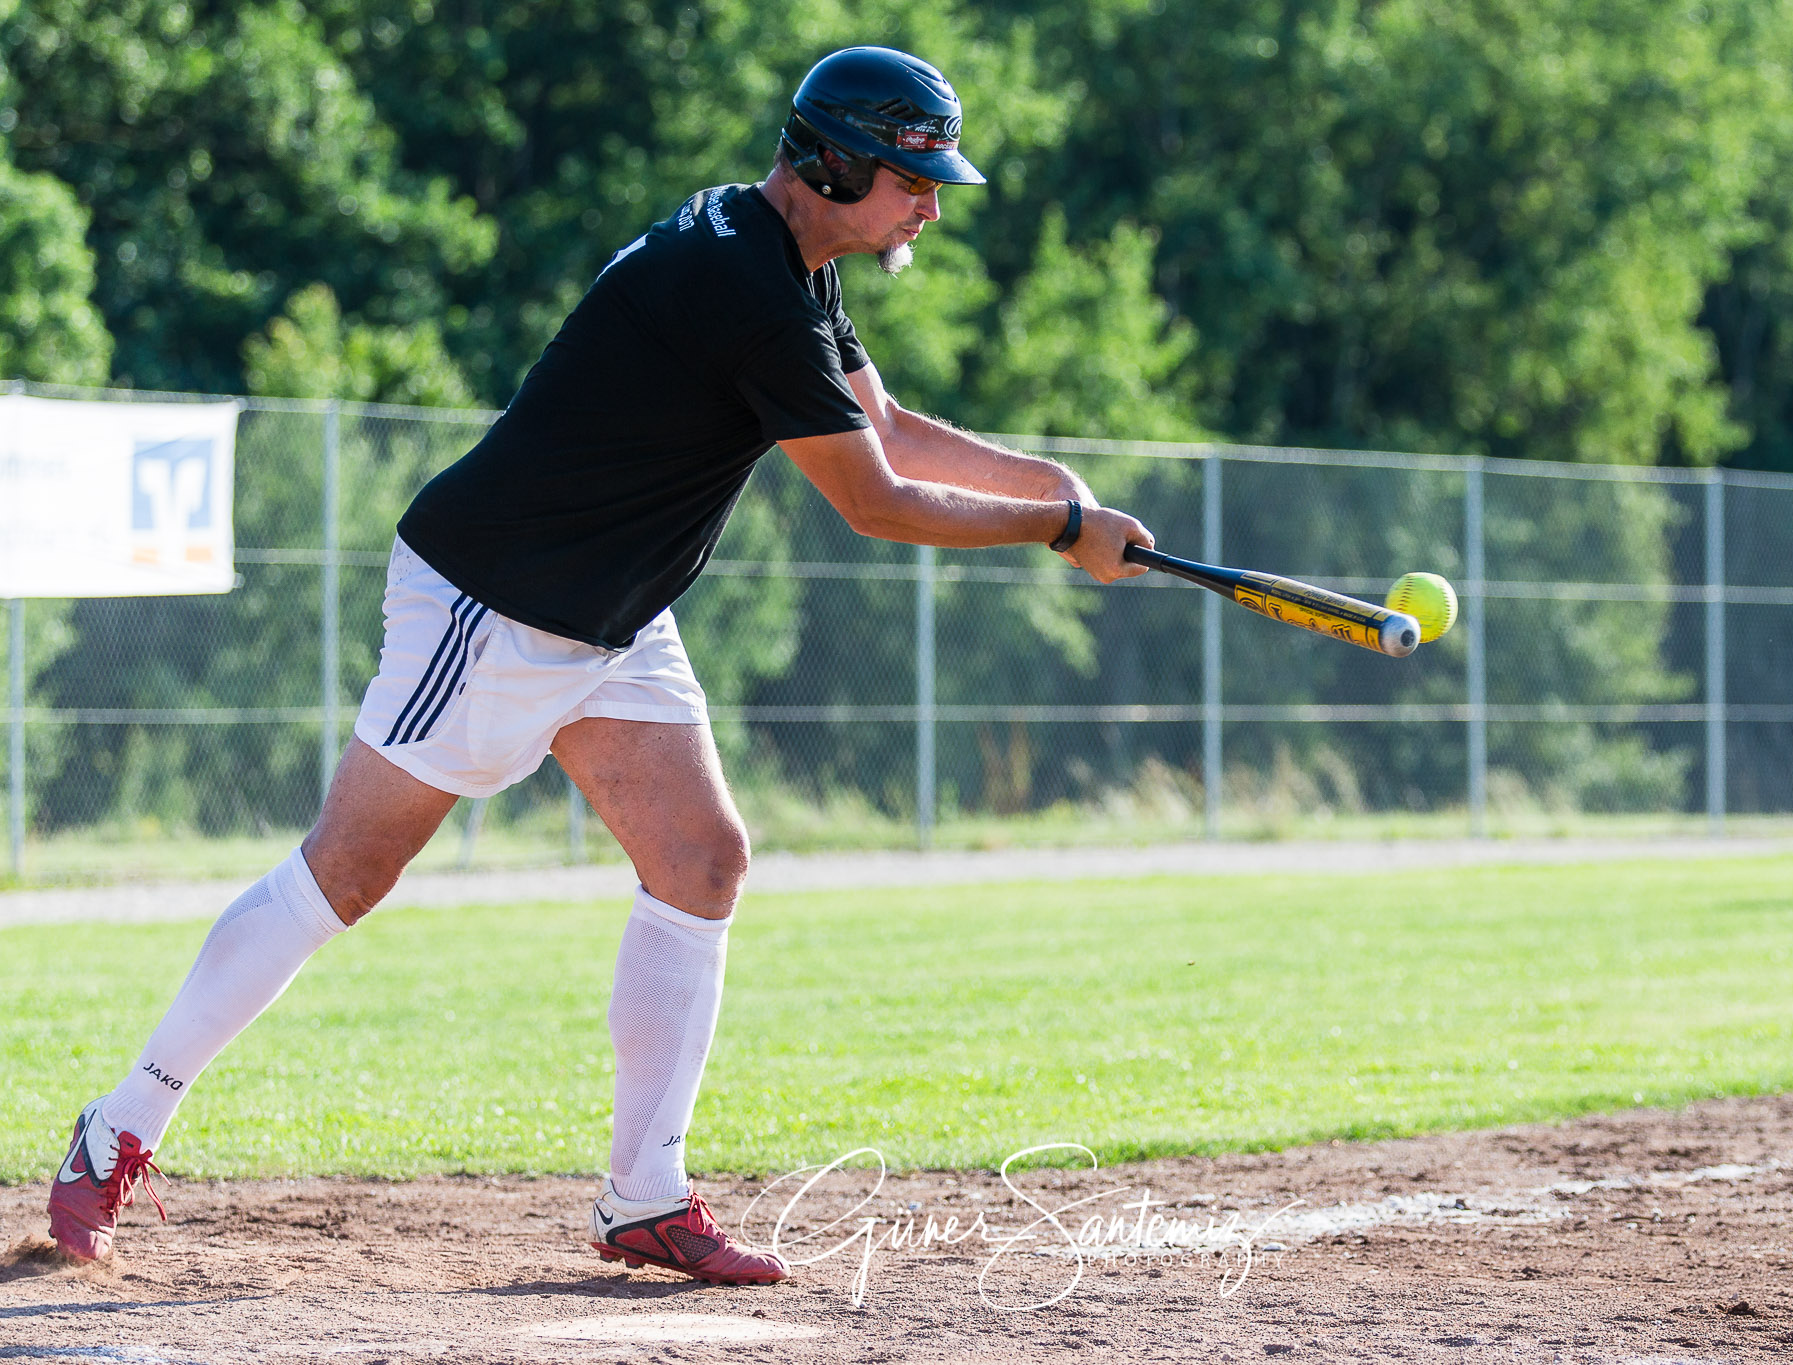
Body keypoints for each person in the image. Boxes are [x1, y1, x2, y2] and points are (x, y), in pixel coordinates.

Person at [48, 46, 1153, 1283]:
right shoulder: (745, 285)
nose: (929, 204)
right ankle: (116, 1127)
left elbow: (884, 425)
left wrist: (1053, 487)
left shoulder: (784, 251)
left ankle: (645, 1196)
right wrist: (1057, 532)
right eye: (910, 176)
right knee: (345, 874)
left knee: (702, 858)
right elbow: (874, 501)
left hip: (615, 617)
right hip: (495, 597)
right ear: (834, 164)